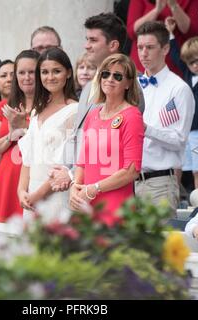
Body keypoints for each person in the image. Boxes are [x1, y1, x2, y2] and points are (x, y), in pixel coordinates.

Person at [49, 12, 145, 193]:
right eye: (87, 39)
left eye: (93, 40)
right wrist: (68, 172)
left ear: (113, 45)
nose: (86, 46)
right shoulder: (89, 86)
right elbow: (81, 139)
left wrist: (72, 176)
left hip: (107, 188)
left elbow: (112, 152)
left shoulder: (131, 87)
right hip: (77, 184)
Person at [70, 53, 144, 225]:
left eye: (117, 76)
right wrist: (75, 187)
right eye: (105, 74)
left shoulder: (132, 116)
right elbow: (82, 162)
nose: (110, 79)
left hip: (116, 206)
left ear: (128, 84)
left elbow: (132, 170)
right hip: (87, 203)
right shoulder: (93, 114)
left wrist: (94, 189)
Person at [134, 21, 195, 215]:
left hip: (159, 184)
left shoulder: (179, 89)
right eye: (140, 47)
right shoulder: (133, 85)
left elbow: (179, 140)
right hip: (127, 181)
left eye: (150, 48)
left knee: (156, 245)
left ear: (166, 48)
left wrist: (145, 129)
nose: (143, 53)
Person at [17, 47, 78, 223]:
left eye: (56, 71)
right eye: (44, 72)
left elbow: (65, 165)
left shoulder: (74, 111)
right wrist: (22, 191)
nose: (50, 77)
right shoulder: (37, 110)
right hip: (31, 195)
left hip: (56, 195)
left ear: (68, 73)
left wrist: (38, 195)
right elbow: (27, 158)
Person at [0, 50, 40, 223]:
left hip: (33, 179)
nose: (27, 77)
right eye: (21, 73)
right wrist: (11, 135)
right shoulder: (4, 106)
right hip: (6, 178)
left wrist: (24, 127)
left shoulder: (49, 107)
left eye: (32, 72)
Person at [165, 24, 198, 190]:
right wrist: (171, 33)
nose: (194, 66)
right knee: (180, 166)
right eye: (190, 63)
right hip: (185, 129)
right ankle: (176, 198)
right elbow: (176, 56)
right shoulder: (187, 74)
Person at [126, 0, 198, 76]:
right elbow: (132, 32)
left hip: (175, 67)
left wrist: (174, 6)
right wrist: (157, 10)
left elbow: (192, 32)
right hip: (142, 67)